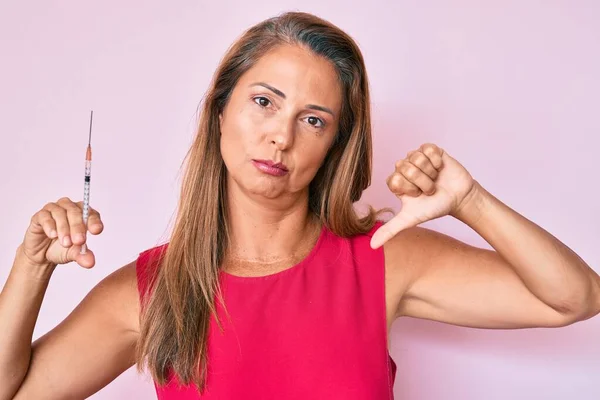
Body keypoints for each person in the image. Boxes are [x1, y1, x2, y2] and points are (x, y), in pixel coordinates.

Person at [1, 11, 598, 400]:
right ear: (219, 111)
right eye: (264, 102)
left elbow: (575, 297)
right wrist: (32, 266)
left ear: (334, 145)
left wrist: (469, 201)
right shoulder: (150, 289)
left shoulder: (385, 258)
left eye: (313, 120)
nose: (281, 136)